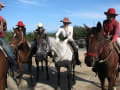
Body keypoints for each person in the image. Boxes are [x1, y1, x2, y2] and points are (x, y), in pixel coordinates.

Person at [92, 8, 120, 72]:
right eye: (108, 15)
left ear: (114, 16)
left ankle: (119, 64)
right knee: (98, 46)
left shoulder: (116, 23)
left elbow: (116, 33)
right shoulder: (104, 22)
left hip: (115, 37)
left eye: (111, 15)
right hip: (106, 37)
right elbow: (103, 31)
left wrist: (112, 40)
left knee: (119, 45)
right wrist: (104, 35)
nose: (109, 16)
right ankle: (96, 64)